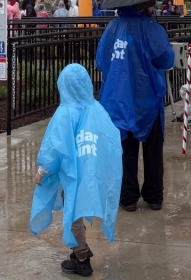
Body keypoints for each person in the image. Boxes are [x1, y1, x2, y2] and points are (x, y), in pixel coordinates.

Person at [30, 64, 123, 278]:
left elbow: (55, 146)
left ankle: (82, 259)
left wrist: (42, 171)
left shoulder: (65, 113)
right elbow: (111, 139)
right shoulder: (97, 109)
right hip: (92, 173)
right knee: (78, 210)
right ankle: (80, 250)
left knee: (72, 214)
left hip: (74, 175)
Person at [96, 0, 175, 212]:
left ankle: (128, 197)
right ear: (145, 6)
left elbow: (101, 60)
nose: (154, 8)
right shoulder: (151, 29)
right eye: (152, 5)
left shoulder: (113, 28)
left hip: (119, 99)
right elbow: (166, 59)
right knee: (153, 149)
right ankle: (154, 196)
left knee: (125, 149)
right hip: (147, 98)